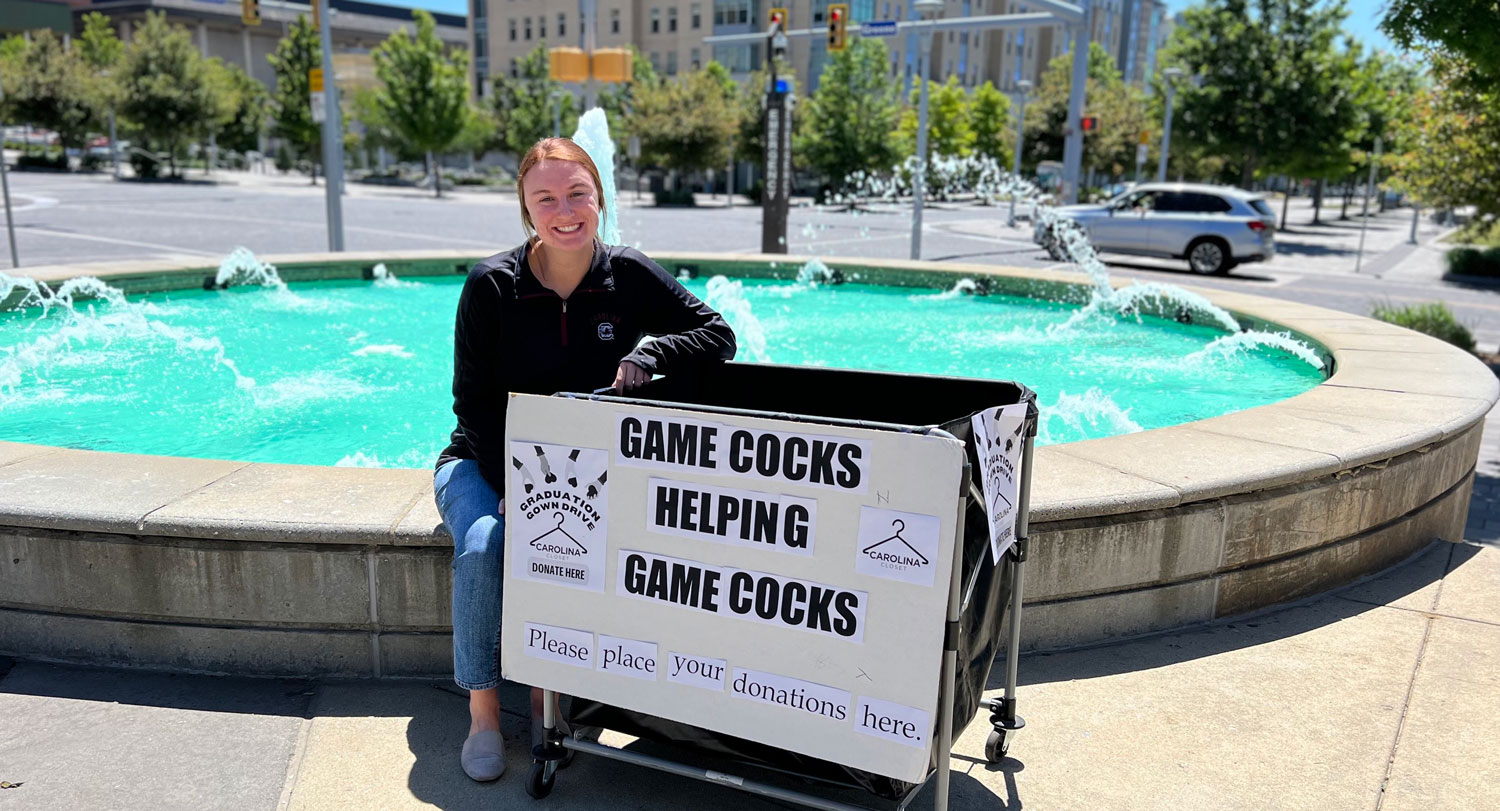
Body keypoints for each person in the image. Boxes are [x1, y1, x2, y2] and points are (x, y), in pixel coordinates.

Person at [432, 137, 737, 782]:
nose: (564, 211)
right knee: (489, 543)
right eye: (546, 198)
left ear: (599, 199)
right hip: (482, 463)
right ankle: (484, 709)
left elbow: (718, 335)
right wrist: (516, 486)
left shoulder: (626, 274)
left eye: (578, 194)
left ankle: (550, 695)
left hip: (588, 470)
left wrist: (650, 355)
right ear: (525, 205)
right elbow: (472, 407)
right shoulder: (491, 285)